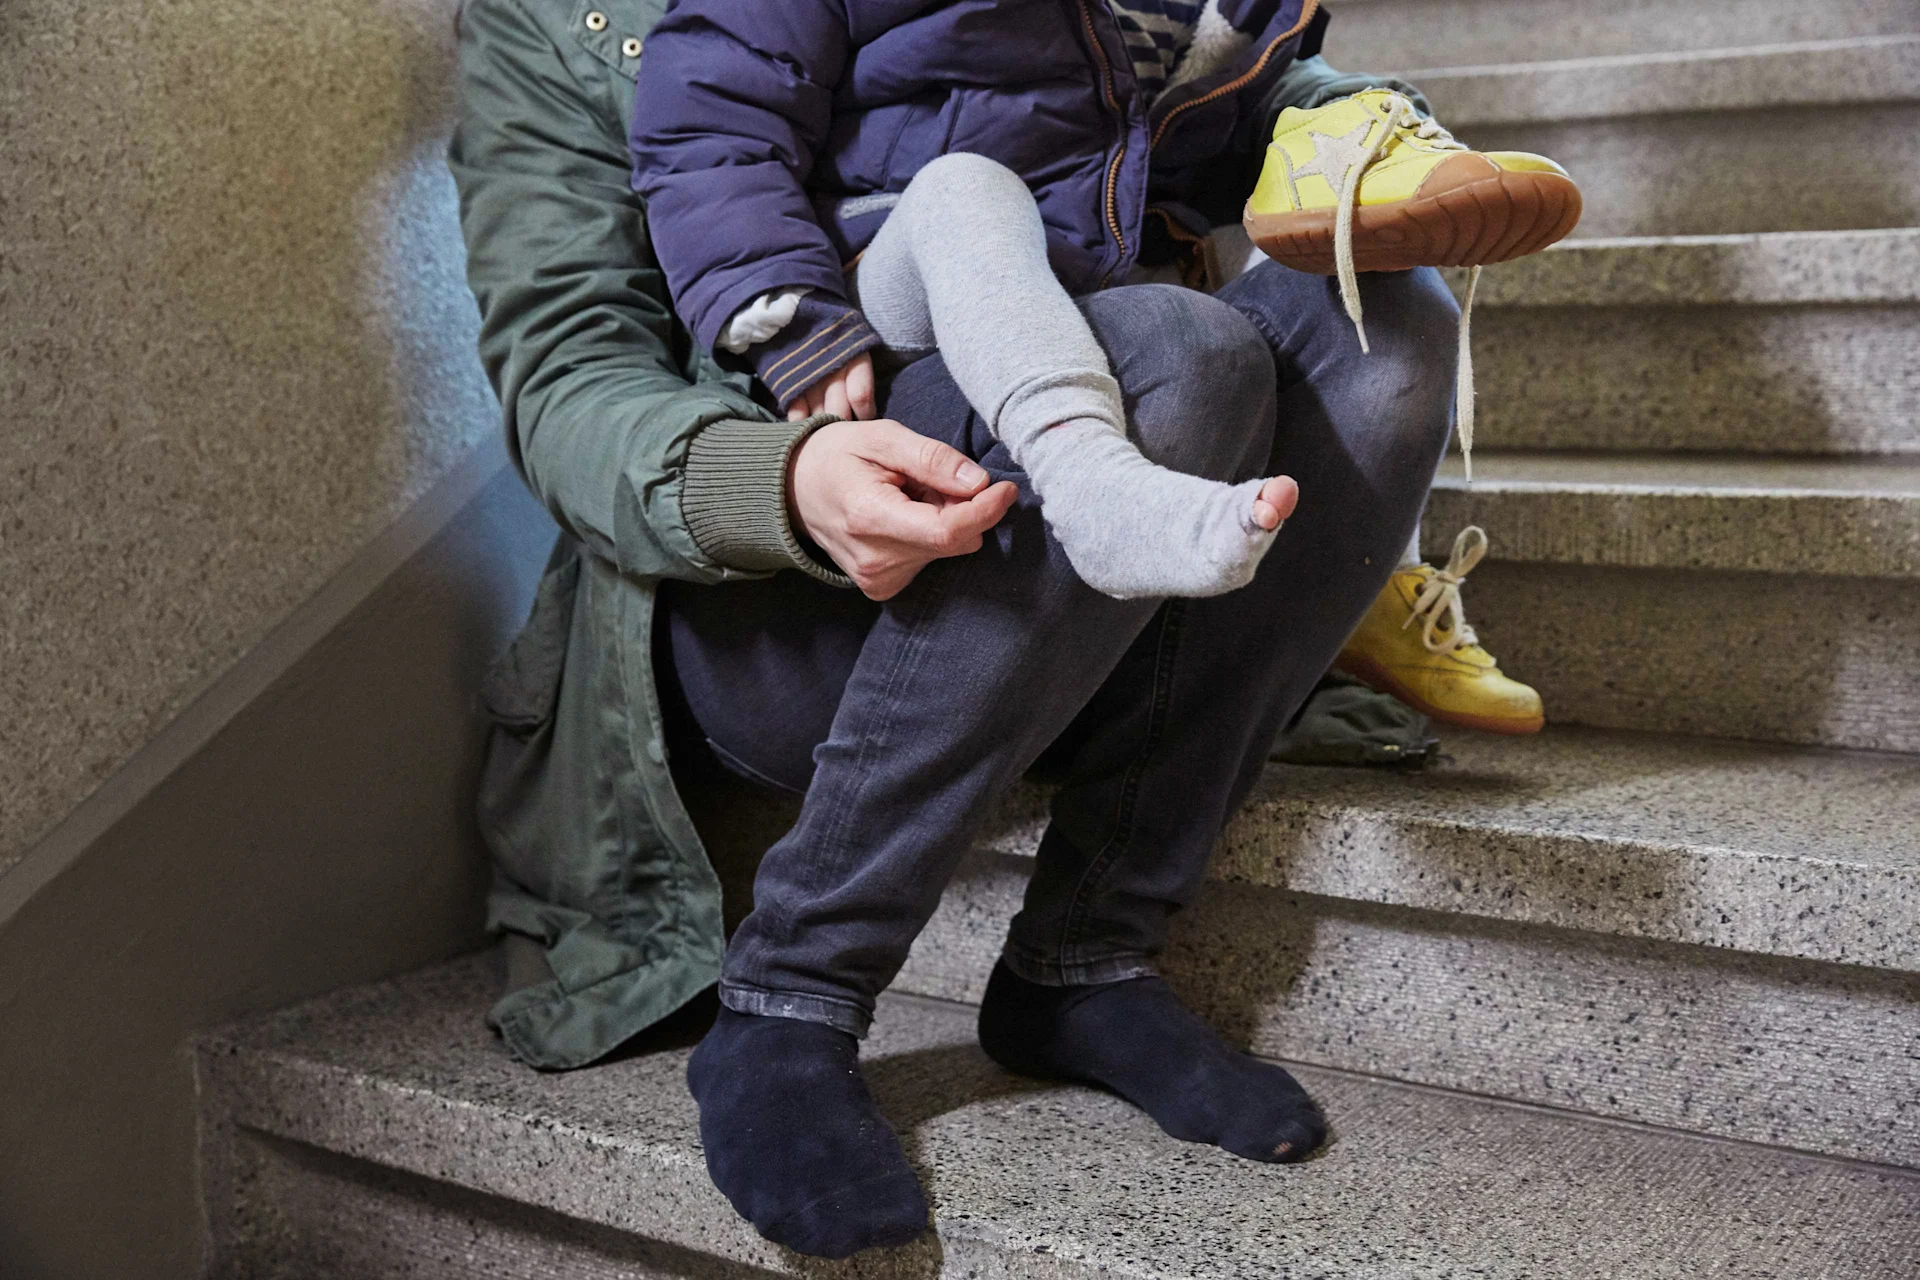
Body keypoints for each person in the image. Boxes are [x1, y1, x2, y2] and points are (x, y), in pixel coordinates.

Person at [448, 0, 1550, 1262]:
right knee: (1179, 350)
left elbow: (1201, 92)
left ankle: (1084, 959)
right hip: (790, 569)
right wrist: (783, 481)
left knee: (1389, 312)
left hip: (1100, 475)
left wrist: (1337, 117)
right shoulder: (550, 18)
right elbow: (570, 379)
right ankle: (791, 993)